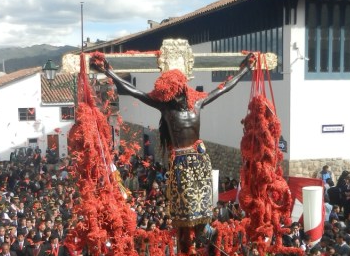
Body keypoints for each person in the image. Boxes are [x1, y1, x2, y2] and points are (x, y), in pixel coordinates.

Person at [98, 53, 254, 239]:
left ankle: (205, 230)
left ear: (182, 89)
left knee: (204, 199)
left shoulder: (197, 102)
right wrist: (110, 72)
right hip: (181, 160)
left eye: (179, 91)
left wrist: (244, 70)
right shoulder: (166, 107)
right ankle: (193, 236)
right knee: (185, 203)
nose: (177, 95)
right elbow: (135, 91)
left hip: (200, 157)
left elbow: (224, 88)